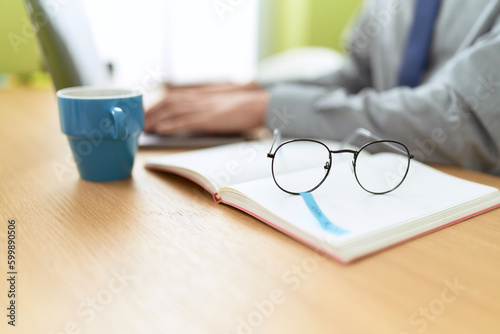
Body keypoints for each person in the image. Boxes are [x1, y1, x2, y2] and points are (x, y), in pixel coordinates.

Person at [144, 0, 500, 176]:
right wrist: (251, 91)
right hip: (383, 184)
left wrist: (266, 107)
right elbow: (357, 78)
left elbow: (459, 122)